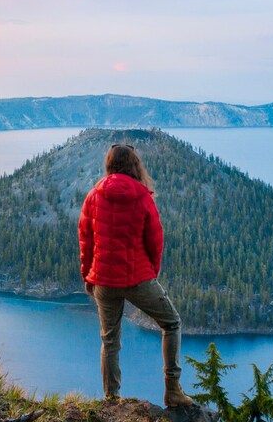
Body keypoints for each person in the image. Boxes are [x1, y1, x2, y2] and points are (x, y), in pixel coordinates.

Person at [78, 142, 195, 406]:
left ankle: (111, 399)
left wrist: (88, 275)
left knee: (109, 341)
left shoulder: (93, 196)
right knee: (172, 323)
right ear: (134, 165)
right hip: (137, 278)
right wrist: (151, 272)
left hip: (104, 280)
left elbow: (86, 240)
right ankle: (173, 390)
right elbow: (155, 239)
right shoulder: (143, 196)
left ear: (109, 164)